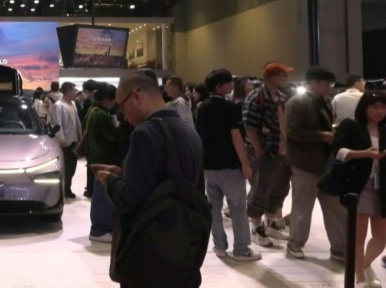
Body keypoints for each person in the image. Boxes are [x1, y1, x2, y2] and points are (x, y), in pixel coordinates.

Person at [95, 71, 204, 288]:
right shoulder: (187, 129)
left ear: (136, 96)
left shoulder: (145, 132)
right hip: (184, 245)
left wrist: (110, 181)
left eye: (122, 107)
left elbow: (132, 199)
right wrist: (123, 172)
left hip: (150, 248)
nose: (124, 116)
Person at [197, 69, 261, 262]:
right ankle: (241, 249)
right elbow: (236, 137)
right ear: (220, 86)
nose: (232, 85)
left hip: (209, 165)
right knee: (238, 207)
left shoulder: (202, 107)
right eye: (228, 83)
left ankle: (219, 246)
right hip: (230, 165)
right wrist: (245, 164)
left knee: (214, 207)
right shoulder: (230, 108)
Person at [284, 66, 347, 260]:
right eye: (326, 83)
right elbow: (292, 131)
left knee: (335, 208)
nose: (329, 87)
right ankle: (294, 244)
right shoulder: (296, 103)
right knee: (303, 206)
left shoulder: (326, 101)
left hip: (326, 163)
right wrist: (321, 136)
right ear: (314, 82)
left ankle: (339, 249)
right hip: (305, 164)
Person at [332, 91, 386, 287]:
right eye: (374, 107)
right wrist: (364, 154)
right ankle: (360, 278)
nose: (379, 111)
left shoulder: (384, 128)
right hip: (359, 187)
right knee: (358, 237)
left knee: (381, 238)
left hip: (382, 189)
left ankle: (364, 265)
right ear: (364, 108)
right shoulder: (352, 126)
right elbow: (338, 152)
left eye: (383, 107)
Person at [243, 62, 293, 247]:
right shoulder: (257, 97)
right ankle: (256, 227)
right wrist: (258, 150)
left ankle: (270, 222)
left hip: (281, 150)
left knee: (280, 188)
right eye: (283, 75)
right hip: (265, 151)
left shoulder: (281, 96)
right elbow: (250, 126)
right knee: (260, 189)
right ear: (273, 77)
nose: (286, 79)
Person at [83, 83, 122, 243]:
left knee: (100, 195)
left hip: (96, 157)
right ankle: (99, 229)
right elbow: (113, 136)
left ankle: (100, 228)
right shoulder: (102, 115)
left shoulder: (93, 111)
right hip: (104, 158)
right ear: (107, 99)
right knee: (103, 196)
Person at [51, 82, 82, 199]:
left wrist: (80, 135)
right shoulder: (58, 105)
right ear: (68, 91)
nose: (75, 92)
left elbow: (77, 120)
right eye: (74, 90)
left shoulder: (73, 104)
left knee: (72, 166)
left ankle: (67, 188)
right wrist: (61, 138)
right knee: (66, 167)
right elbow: (57, 122)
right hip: (65, 142)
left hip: (74, 139)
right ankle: (64, 189)